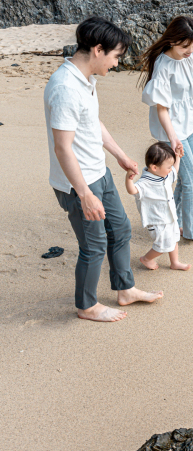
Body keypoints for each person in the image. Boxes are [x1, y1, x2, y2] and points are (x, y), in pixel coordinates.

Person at [45, 16, 163, 323]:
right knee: (94, 246)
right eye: (116, 56)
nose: (117, 63)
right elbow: (63, 147)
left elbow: (92, 124)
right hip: (78, 184)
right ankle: (86, 306)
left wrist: (120, 156)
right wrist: (84, 194)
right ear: (98, 50)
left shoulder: (86, 79)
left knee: (121, 230)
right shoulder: (65, 88)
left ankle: (125, 289)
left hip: (100, 173)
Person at [139, 16, 193, 248]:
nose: (190, 51)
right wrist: (173, 138)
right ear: (172, 42)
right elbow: (162, 108)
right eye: (185, 46)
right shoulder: (163, 65)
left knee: (187, 180)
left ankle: (173, 222)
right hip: (173, 130)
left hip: (192, 124)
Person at [125, 142, 190, 271]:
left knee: (174, 238)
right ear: (154, 167)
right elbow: (132, 190)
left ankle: (175, 262)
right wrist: (129, 179)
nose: (170, 169)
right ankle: (146, 258)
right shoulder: (145, 183)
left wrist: (177, 157)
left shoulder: (164, 175)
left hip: (170, 216)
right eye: (168, 166)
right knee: (163, 245)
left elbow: (175, 171)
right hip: (157, 221)